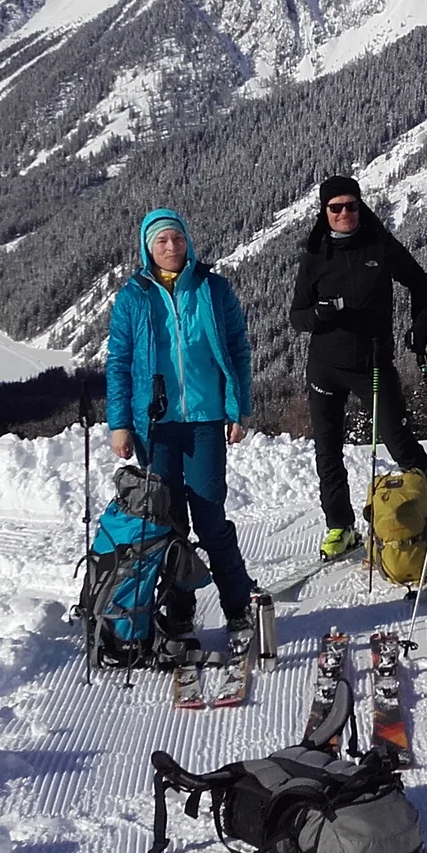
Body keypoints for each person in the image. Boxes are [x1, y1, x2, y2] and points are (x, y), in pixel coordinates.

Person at [107, 208, 257, 648]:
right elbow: (118, 364)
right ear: (147, 248)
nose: (171, 247)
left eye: (177, 238)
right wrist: (119, 424)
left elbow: (237, 352)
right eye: (161, 241)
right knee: (167, 524)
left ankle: (238, 607)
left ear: (187, 240)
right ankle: (180, 614)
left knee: (211, 520)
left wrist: (238, 409)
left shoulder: (213, 288)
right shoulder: (133, 297)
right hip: (154, 427)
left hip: (207, 420)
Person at [289, 175, 427, 560]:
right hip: (324, 365)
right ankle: (339, 526)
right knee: (327, 451)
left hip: (372, 363)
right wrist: (319, 315)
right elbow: (297, 315)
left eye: (351, 205)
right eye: (335, 207)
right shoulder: (315, 254)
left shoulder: (378, 244)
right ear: (324, 213)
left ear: (361, 206)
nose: (344, 213)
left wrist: (419, 328)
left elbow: (419, 282)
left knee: (401, 444)